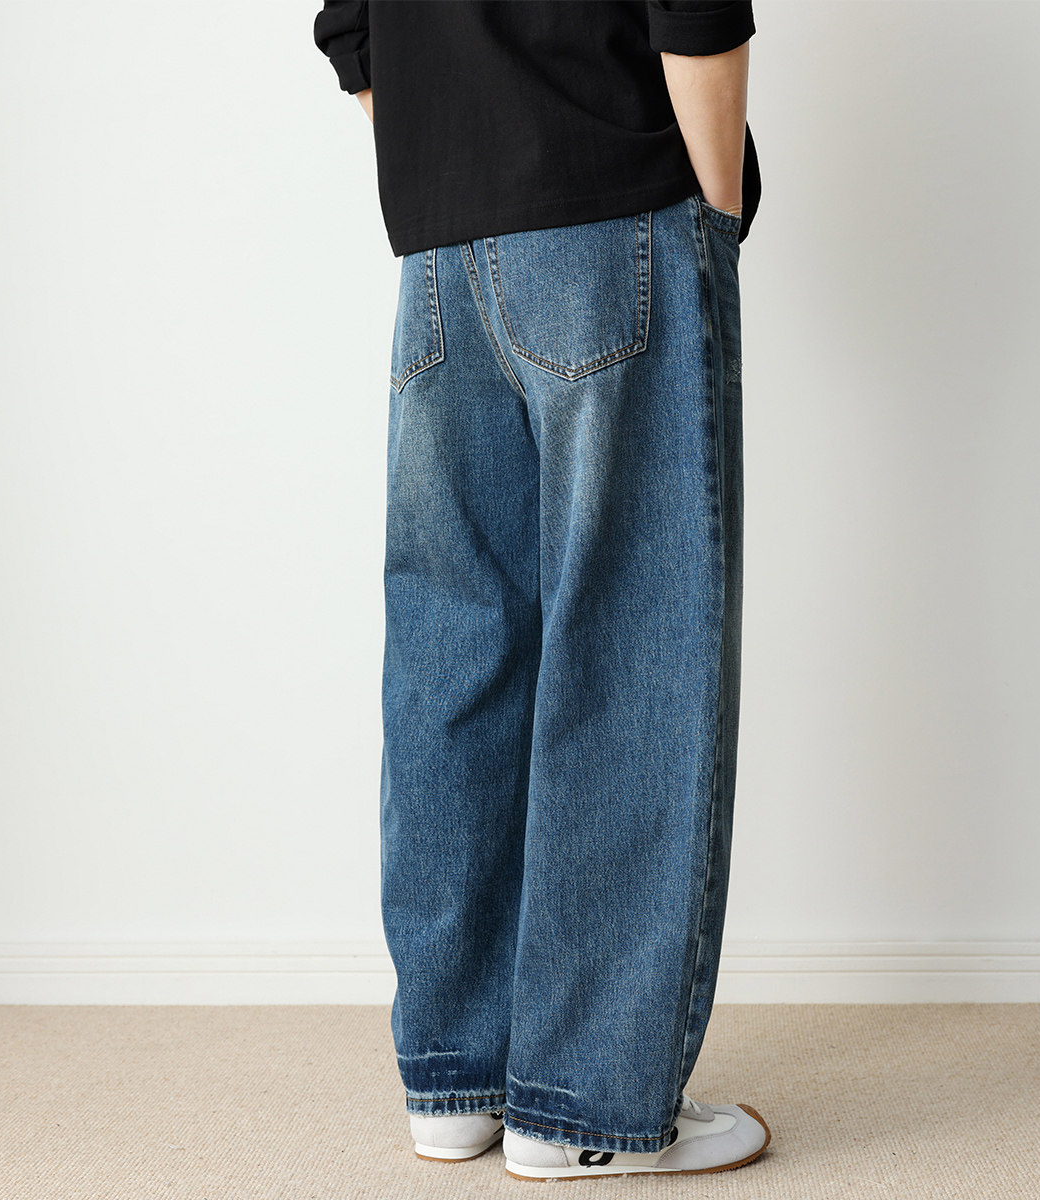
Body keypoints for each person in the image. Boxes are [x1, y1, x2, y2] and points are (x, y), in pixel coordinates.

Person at [313, 0, 769, 1181]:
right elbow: (695, 13)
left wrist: (455, 158)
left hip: (440, 253)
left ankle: (454, 1078)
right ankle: (582, 1107)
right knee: (630, 654)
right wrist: (715, 218)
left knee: (454, 660)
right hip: (614, 217)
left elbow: (352, 24)